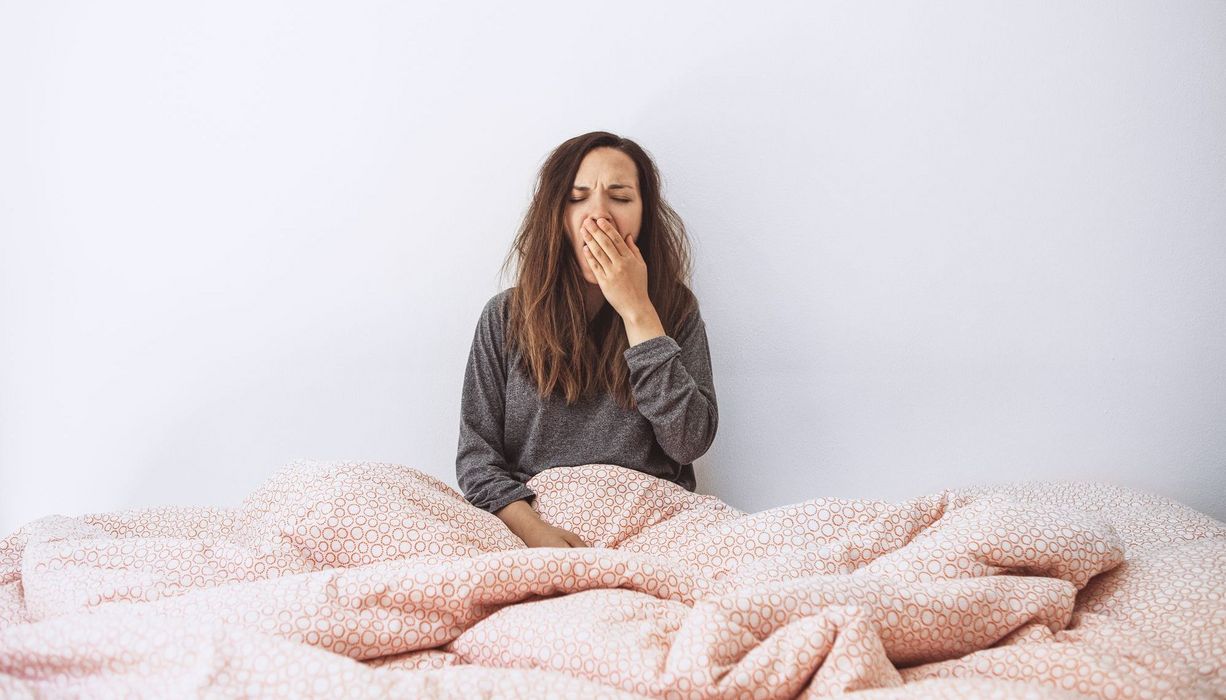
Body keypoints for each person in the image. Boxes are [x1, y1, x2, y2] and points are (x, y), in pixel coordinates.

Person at [455, 131, 718, 548]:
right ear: (556, 217)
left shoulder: (675, 310)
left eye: (621, 197)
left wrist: (638, 312)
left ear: (645, 215)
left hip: (653, 525)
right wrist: (537, 534)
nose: (599, 216)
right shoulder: (504, 317)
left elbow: (688, 442)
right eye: (577, 198)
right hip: (535, 523)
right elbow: (477, 459)